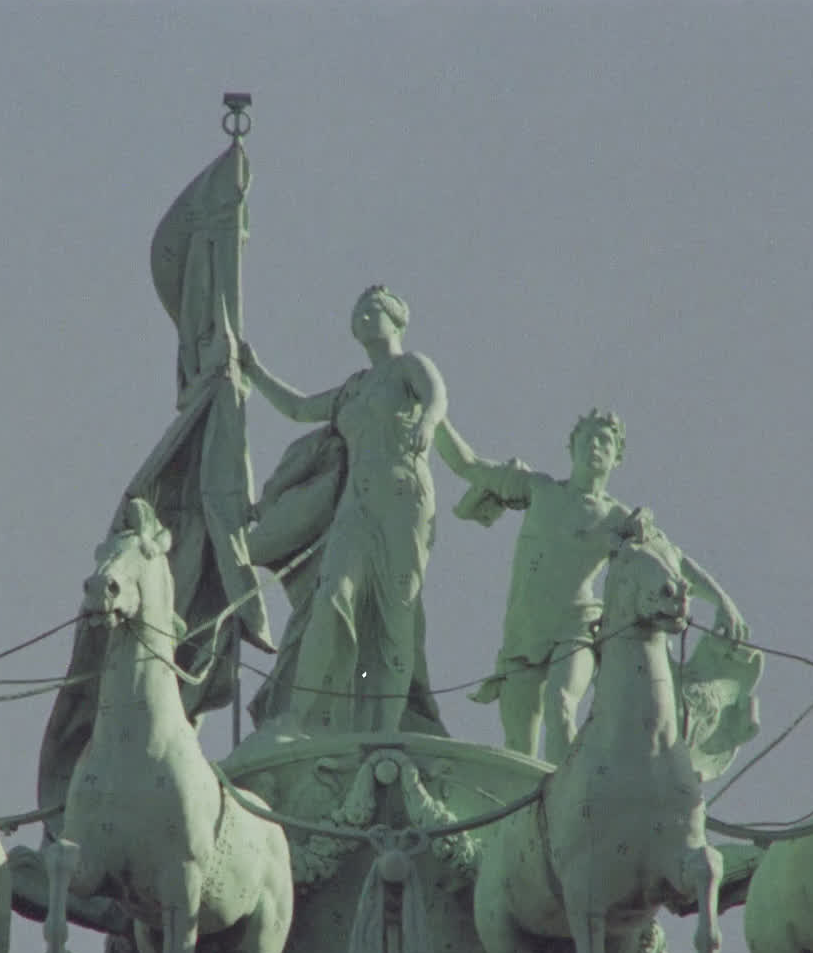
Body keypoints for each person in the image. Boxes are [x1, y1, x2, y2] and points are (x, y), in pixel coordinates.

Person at [437, 408, 749, 764]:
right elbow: (467, 464)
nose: (595, 446)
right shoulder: (538, 490)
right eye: (587, 439)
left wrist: (722, 601)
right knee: (518, 747)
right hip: (522, 636)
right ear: (572, 447)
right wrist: (433, 414)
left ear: (617, 458)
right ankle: (528, 814)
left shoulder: (618, 517)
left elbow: (673, 562)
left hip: (575, 631)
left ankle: (565, 801)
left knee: (561, 706)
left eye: (605, 441)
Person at [233, 286, 457, 736]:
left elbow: (437, 397)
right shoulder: (353, 389)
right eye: (359, 312)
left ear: (397, 319)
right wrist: (253, 371)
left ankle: (386, 730)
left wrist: (428, 422)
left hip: (403, 500)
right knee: (332, 595)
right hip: (356, 505)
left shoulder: (409, 366)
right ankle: (298, 716)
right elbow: (298, 407)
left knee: (396, 616)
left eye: (375, 309)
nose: (366, 317)